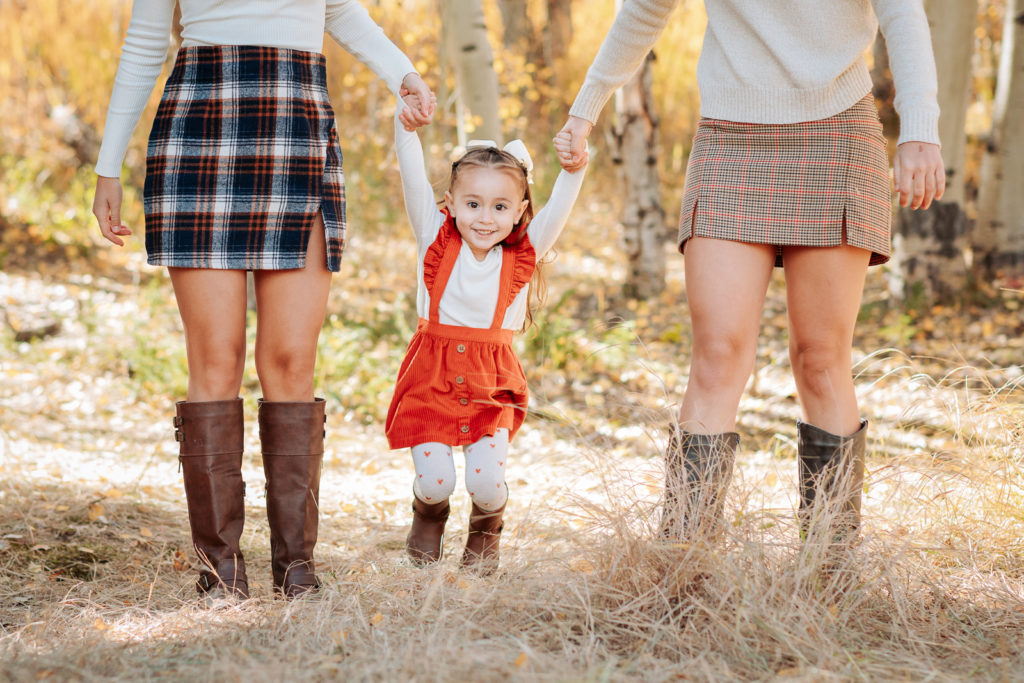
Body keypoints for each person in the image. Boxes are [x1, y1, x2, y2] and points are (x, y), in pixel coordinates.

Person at [555, 0, 945, 554]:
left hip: (837, 134)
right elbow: (644, 8)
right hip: (730, 140)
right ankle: (682, 571)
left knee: (821, 359)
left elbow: (902, 15)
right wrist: (585, 109)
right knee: (716, 356)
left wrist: (919, 128)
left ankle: (827, 575)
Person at [91, 0, 435, 601]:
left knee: (289, 361)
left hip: (296, 135)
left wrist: (400, 71)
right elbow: (145, 44)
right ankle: (219, 571)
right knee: (216, 359)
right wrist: (107, 166)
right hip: (197, 136)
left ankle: (295, 568)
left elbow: (342, 12)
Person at [385, 99, 589, 574]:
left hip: (490, 379)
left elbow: (558, 207)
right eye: (472, 204)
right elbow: (411, 175)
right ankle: (428, 515)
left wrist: (574, 168)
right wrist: (405, 128)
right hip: (430, 375)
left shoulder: (522, 256)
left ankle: (484, 530)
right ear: (451, 203)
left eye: (500, 207)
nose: (484, 217)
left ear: (519, 212)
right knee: (435, 480)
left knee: (487, 484)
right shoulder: (433, 239)